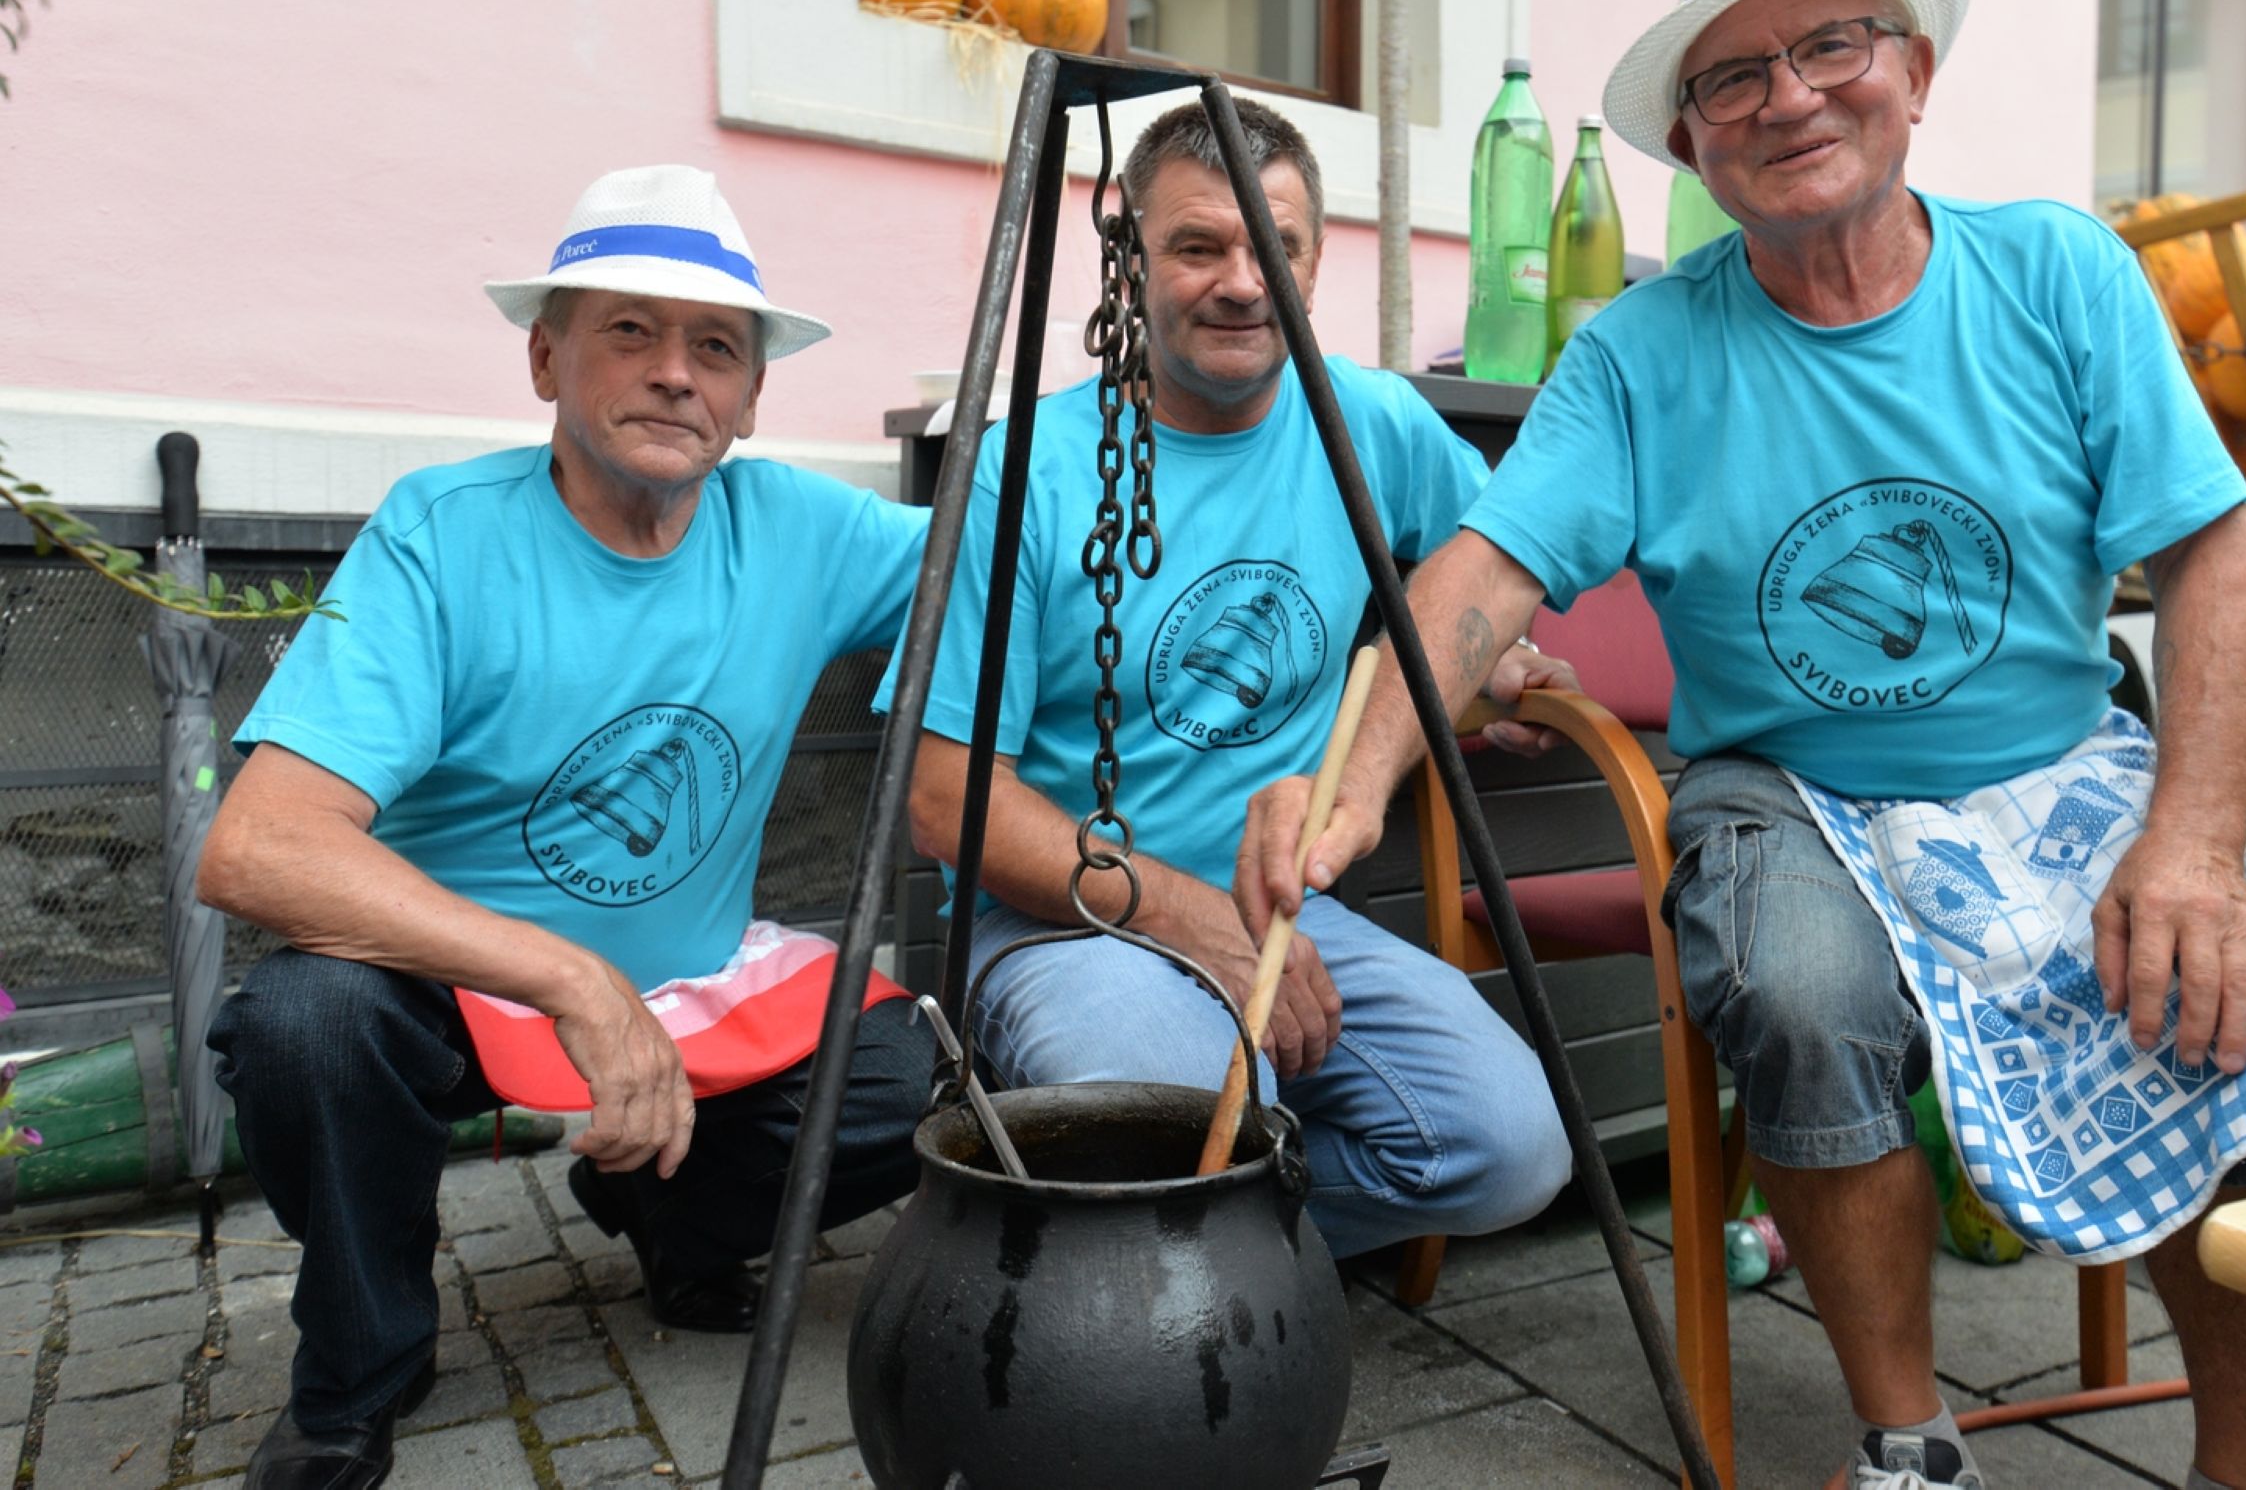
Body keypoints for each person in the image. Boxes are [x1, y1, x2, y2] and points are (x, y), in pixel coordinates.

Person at [1237, 0, 2246, 1490]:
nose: (1787, 98)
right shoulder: (1641, 352)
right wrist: (1353, 781)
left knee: (2230, 999)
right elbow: (1481, 581)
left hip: (2060, 760)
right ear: (1692, 147)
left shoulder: (2057, 274)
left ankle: (2245, 1478)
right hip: (1785, 789)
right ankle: (1910, 1443)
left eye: (1830, 45)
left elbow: (2220, 566)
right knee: (1800, 987)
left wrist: (2196, 838)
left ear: (1912, 73)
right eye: (1731, 83)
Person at [199, 165, 937, 1490]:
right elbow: (257, 847)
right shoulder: (440, 534)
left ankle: (667, 1212)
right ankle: (362, 1363)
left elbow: (1011, 554)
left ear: (753, 393)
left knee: (899, 1084)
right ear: (546, 359)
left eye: (716, 346)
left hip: (695, 988)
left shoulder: (805, 530)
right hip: (447, 997)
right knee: (303, 1026)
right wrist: (567, 976)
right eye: (629, 333)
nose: (676, 374)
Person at [891, 97, 1573, 1261]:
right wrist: (1191, 919)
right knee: (1194, 1110)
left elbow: (1483, 582)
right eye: (1200, 245)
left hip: (1292, 917)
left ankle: (1203, 1252)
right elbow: (943, 793)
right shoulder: (1027, 471)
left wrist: (1489, 668)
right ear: (1131, 261)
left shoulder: (1370, 422)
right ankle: (1166, 1267)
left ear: (1314, 263)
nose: (1243, 282)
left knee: (1512, 1149)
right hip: (1063, 924)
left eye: (1277, 245)